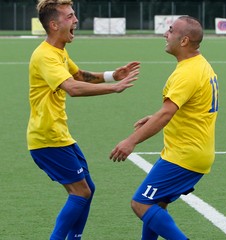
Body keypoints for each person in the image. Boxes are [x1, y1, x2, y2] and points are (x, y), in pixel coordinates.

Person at [26, 0, 140, 239]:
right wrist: (115, 88)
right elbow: (73, 87)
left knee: (88, 189)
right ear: (54, 24)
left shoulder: (59, 52)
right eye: (70, 16)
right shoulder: (45, 56)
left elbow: (78, 75)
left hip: (58, 135)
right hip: (47, 138)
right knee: (80, 192)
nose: (76, 20)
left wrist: (111, 75)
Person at [110, 16, 219, 240]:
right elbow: (193, 107)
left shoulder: (186, 73)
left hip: (184, 156)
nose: (165, 34)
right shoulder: (200, 66)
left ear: (184, 40)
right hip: (192, 153)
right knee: (156, 202)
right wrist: (153, 117)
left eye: (170, 31)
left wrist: (131, 141)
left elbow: (167, 113)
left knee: (140, 203)